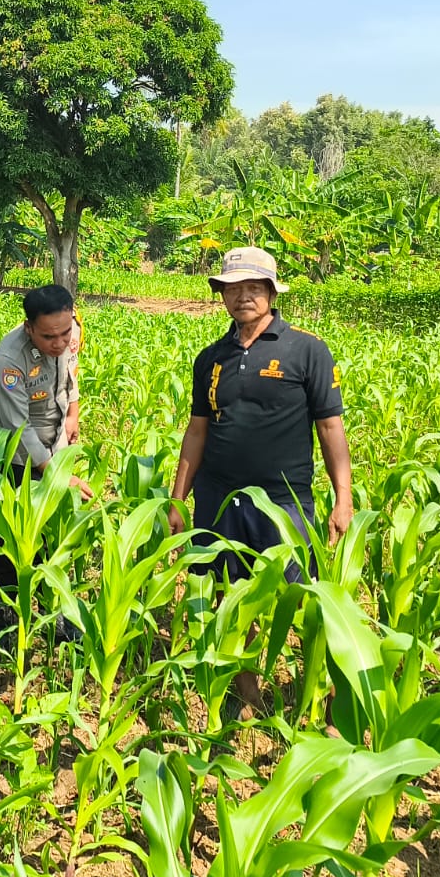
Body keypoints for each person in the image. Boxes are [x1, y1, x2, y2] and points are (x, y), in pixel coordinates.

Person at [167, 246, 354, 706]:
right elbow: (197, 430)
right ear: (222, 295)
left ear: (272, 292)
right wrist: (177, 498)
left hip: (283, 501)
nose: (242, 296)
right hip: (219, 498)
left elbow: (330, 428)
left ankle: (325, 701)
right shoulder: (211, 358)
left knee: (305, 597)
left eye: (253, 287)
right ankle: (247, 696)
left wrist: (343, 498)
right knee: (230, 597)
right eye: (233, 288)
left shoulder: (306, 350)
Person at [0, 285, 92, 631]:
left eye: (64, 333)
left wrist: (72, 413)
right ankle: (1, 617)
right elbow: (19, 428)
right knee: (13, 536)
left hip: (55, 442)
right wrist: (57, 475)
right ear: (29, 328)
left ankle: (48, 611)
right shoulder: (9, 359)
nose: (59, 342)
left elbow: (71, 372)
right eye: (48, 337)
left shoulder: (71, 330)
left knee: (50, 532)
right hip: (16, 454)